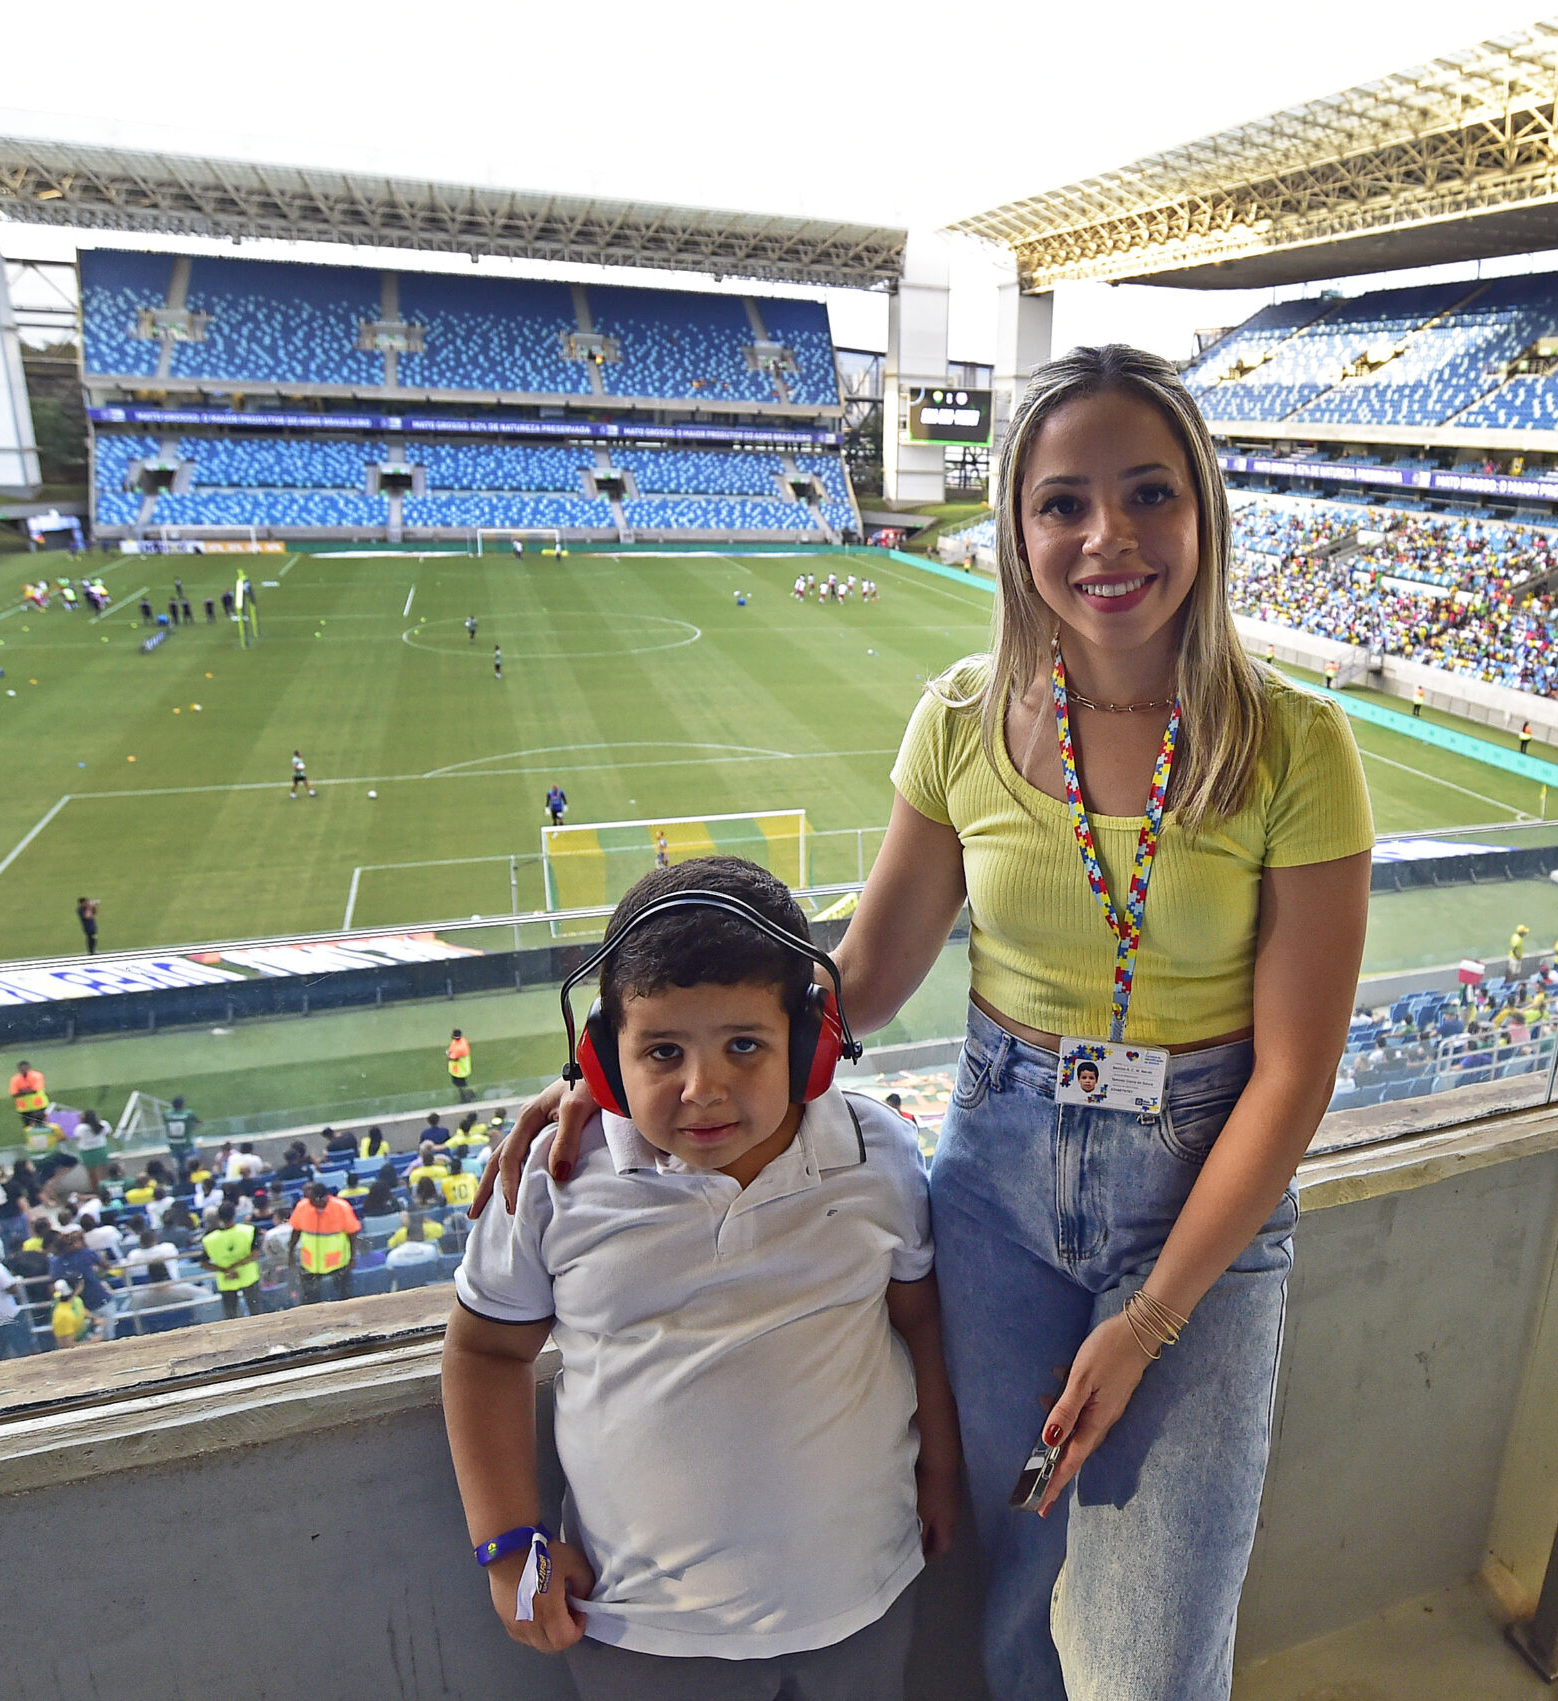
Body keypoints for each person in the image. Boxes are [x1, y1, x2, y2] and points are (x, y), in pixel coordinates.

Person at [479, 346, 1372, 1701]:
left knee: (1162, 1642)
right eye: (1063, 502)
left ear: (1205, 511)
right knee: (1012, 1588)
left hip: (1200, 1208)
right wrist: (606, 1081)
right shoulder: (961, 718)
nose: (1107, 537)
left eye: (1148, 493)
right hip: (1000, 1193)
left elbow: (1296, 1075)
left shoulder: (1295, 743)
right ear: (1018, 528)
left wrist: (1149, 1322)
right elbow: (855, 978)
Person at [443, 857, 955, 1686]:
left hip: (862, 1602)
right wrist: (509, 1548)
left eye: (745, 1045)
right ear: (604, 1057)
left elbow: (917, 1320)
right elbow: (484, 1353)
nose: (702, 1088)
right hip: (639, 1632)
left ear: (812, 1045)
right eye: (662, 1051)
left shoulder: (876, 1155)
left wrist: (940, 1471)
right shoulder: (552, 1176)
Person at [289, 1182, 360, 1304]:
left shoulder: (341, 1207)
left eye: (312, 1200)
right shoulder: (303, 1206)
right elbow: (296, 1231)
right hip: (310, 1263)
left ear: (323, 1198)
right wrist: (290, 1254)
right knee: (309, 1299)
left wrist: (352, 1258)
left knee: (345, 1296)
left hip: (338, 1262)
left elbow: (352, 1234)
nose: (309, 1202)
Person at [202, 1209, 264, 1318]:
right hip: (249, 1276)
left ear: (219, 1217)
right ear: (234, 1214)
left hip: (226, 1279)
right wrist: (235, 1266)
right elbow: (255, 1254)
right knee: (256, 1312)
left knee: (231, 1316)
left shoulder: (209, 1239)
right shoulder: (248, 1230)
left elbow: (203, 1263)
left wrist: (227, 1270)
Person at [8, 1060, 49, 1131]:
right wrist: (28, 1090)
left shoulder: (37, 1076)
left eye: (25, 1068)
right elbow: (14, 1094)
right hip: (24, 1109)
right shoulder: (15, 1079)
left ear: (29, 1067)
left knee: (42, 1126)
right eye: (21, 1068)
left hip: (39, 1107)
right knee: (28, 1129)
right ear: (19, 1069)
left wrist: (21, 1091)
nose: (24, 1070)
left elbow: (35, 1090)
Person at [447, 1029, 473, 1102]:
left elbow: (452, 1058)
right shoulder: (463, 1040)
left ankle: (466, 1098)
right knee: (462, 1084)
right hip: (462, 1068)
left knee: (460, 1084)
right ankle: (469, 1095)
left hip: (459, 1070)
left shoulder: (459, 1048)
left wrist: (448, 1055)